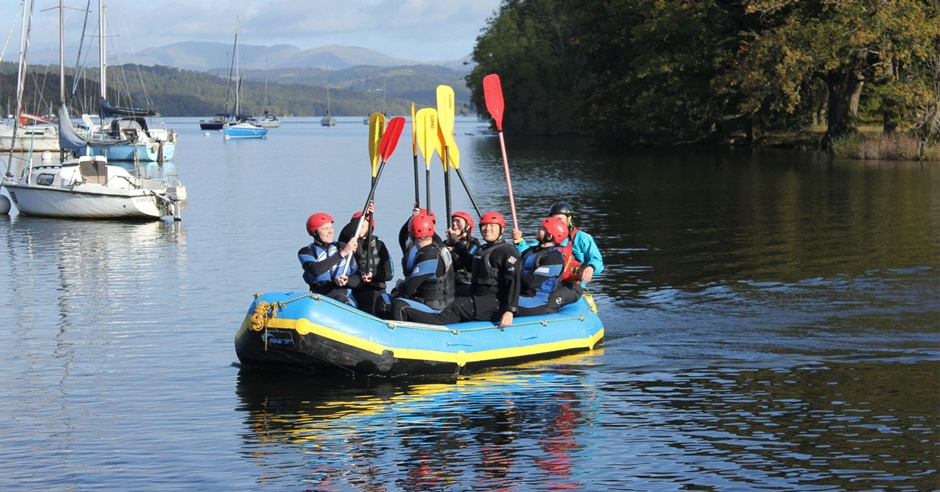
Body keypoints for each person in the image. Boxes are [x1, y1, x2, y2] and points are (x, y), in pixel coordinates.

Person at [400, 211, 521, 328]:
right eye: (484, 226)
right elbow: (468, 263)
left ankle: (439, 332)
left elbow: (514, 282)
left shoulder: (507, 252)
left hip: (494, 302)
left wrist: (510, 311)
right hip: (478, 296)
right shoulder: (483, 250)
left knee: (453, 307)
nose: (487, 229)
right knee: (449, 300)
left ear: (502, 229)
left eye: (492, 226)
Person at [512, 201, 603, 304]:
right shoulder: (547, 238)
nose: (557, 222)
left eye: (560, 219)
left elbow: (598, 261)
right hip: (548, 284)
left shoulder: (581, 238)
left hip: (570, 285)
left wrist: (591, 267)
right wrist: (519, 241)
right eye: (554, 219)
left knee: (552, 299)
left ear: (569, 219)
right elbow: (527, 253)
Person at [388, 213, 456, 321]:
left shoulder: (429, 256)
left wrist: (400, 285)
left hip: (438, 311)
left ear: (411, 235)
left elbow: (409, 289)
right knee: (385, 299)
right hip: (426, 304)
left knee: (399, 306)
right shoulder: (437, 246)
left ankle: (398, 336)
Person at [338, 206, 393, 317]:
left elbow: (389, 274)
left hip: (377, 290)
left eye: (362, 226)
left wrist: (373, 275)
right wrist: (365, 214)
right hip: (357, 291)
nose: (358, 230)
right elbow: (344, 234)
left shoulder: (380, 245)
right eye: (357, 227)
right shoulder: (348, 245)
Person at [298, 212, 360, 306]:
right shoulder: (306, 252)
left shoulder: (342, 246)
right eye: (325, 228)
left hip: (345, 297)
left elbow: (357, 278)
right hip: (320, 298)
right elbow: (316, 270)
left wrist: (348, 280)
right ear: (314, 232)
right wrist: (342, 254)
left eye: (331, 227)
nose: (330, 231)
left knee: (340, 298)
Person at [517, 217, 567, 317]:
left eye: (542, 228)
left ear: (549, 236)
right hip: (520, 293)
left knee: (499, 301)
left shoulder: (554, 257)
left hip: (537, 300)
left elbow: (531, 282)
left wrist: (511, 271)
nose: (539, 228)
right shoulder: (531, 250)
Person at [444, 210, 481, 297]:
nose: (454, 224)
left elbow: (468, 260)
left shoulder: (473, 244)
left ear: (467, 226)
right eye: (453, 221)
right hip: (449, 284)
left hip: (466, 283)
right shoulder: (446, 243)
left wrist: (455, 245)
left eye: (458, 221)